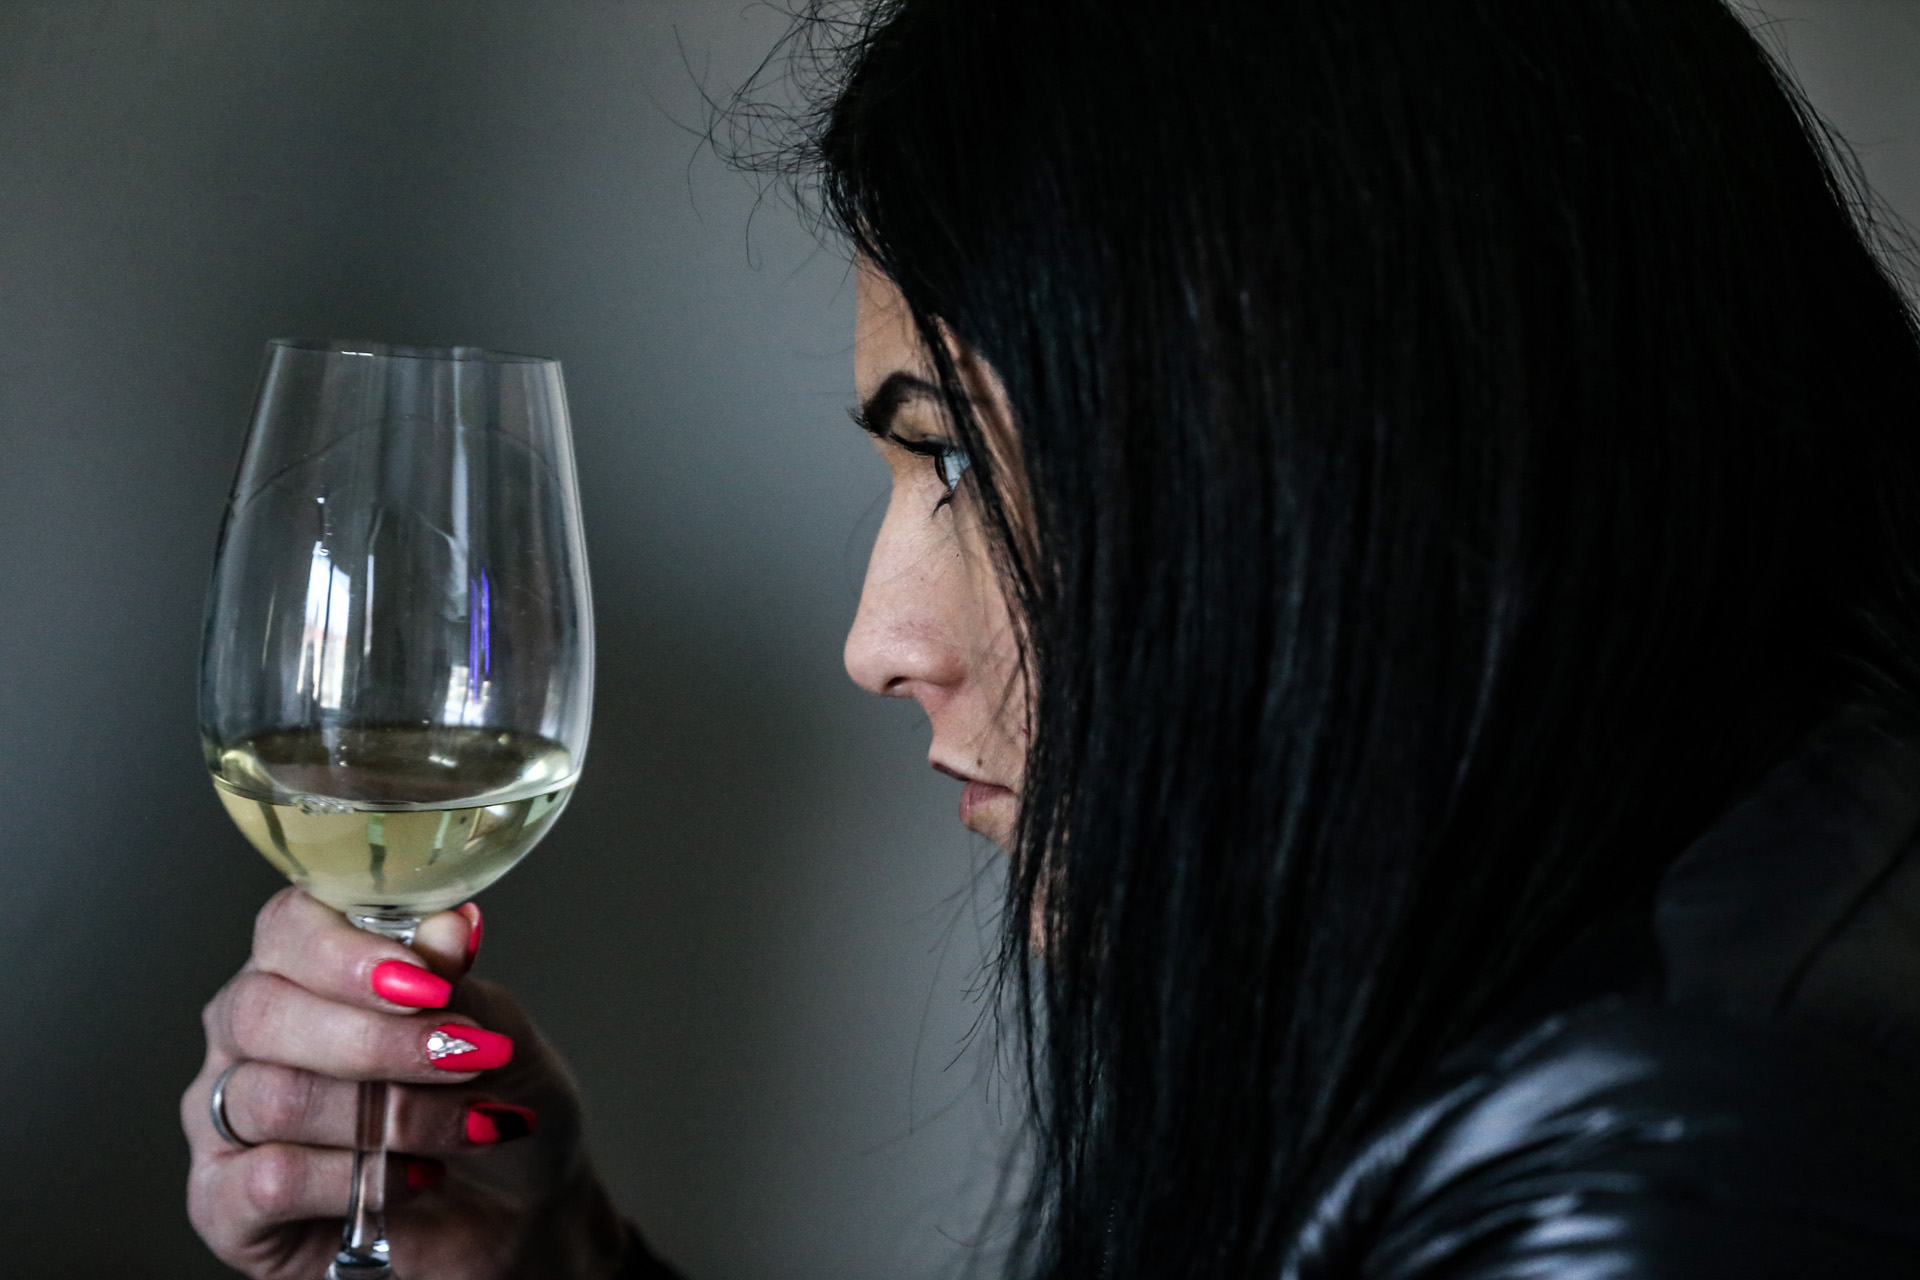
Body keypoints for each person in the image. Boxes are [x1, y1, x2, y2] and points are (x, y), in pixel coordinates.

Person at [181, 0, 1920, 1275]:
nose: (878, 642)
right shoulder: (1668, 992)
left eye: (954, 456)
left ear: (1360, 452)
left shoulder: (1685, 1173)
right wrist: (557, 1263)